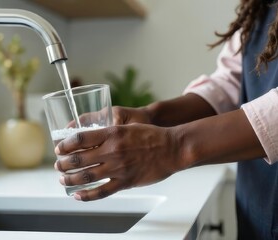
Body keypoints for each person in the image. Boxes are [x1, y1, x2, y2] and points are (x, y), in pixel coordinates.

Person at [53, 0, 278, 239]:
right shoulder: (260, 5)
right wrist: (153, 116)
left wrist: (173, 147)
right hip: (259, 209)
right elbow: (233, 83)